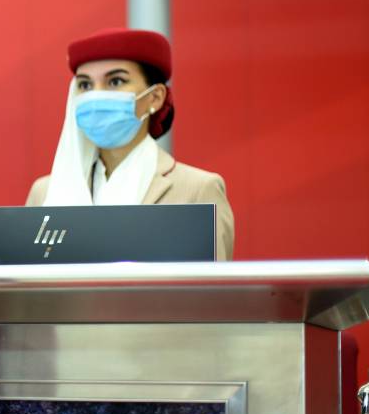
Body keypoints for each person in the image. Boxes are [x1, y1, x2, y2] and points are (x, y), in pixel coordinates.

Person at [26, 27, 234, 260]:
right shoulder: (45, 192)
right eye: (85, 85)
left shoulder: (198, 191)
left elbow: (211, 294)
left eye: (115, 81)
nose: (96, 96)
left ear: (155, 97)